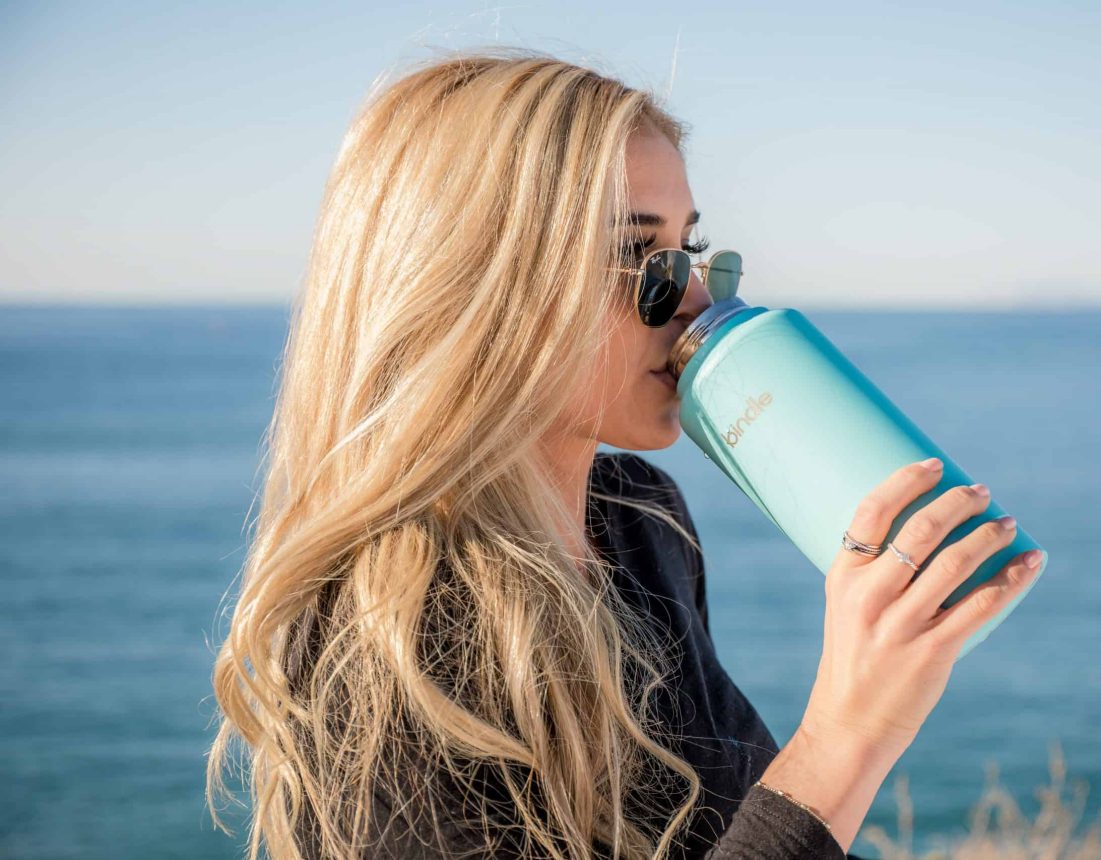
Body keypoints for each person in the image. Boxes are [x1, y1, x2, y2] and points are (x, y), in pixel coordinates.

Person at [205, 48, 1041, 860]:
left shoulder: (639, 521)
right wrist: (849, 735)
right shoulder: (380, 659)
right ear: (474, 289)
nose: (696, 299)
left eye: (690, 251)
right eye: (636, 257)